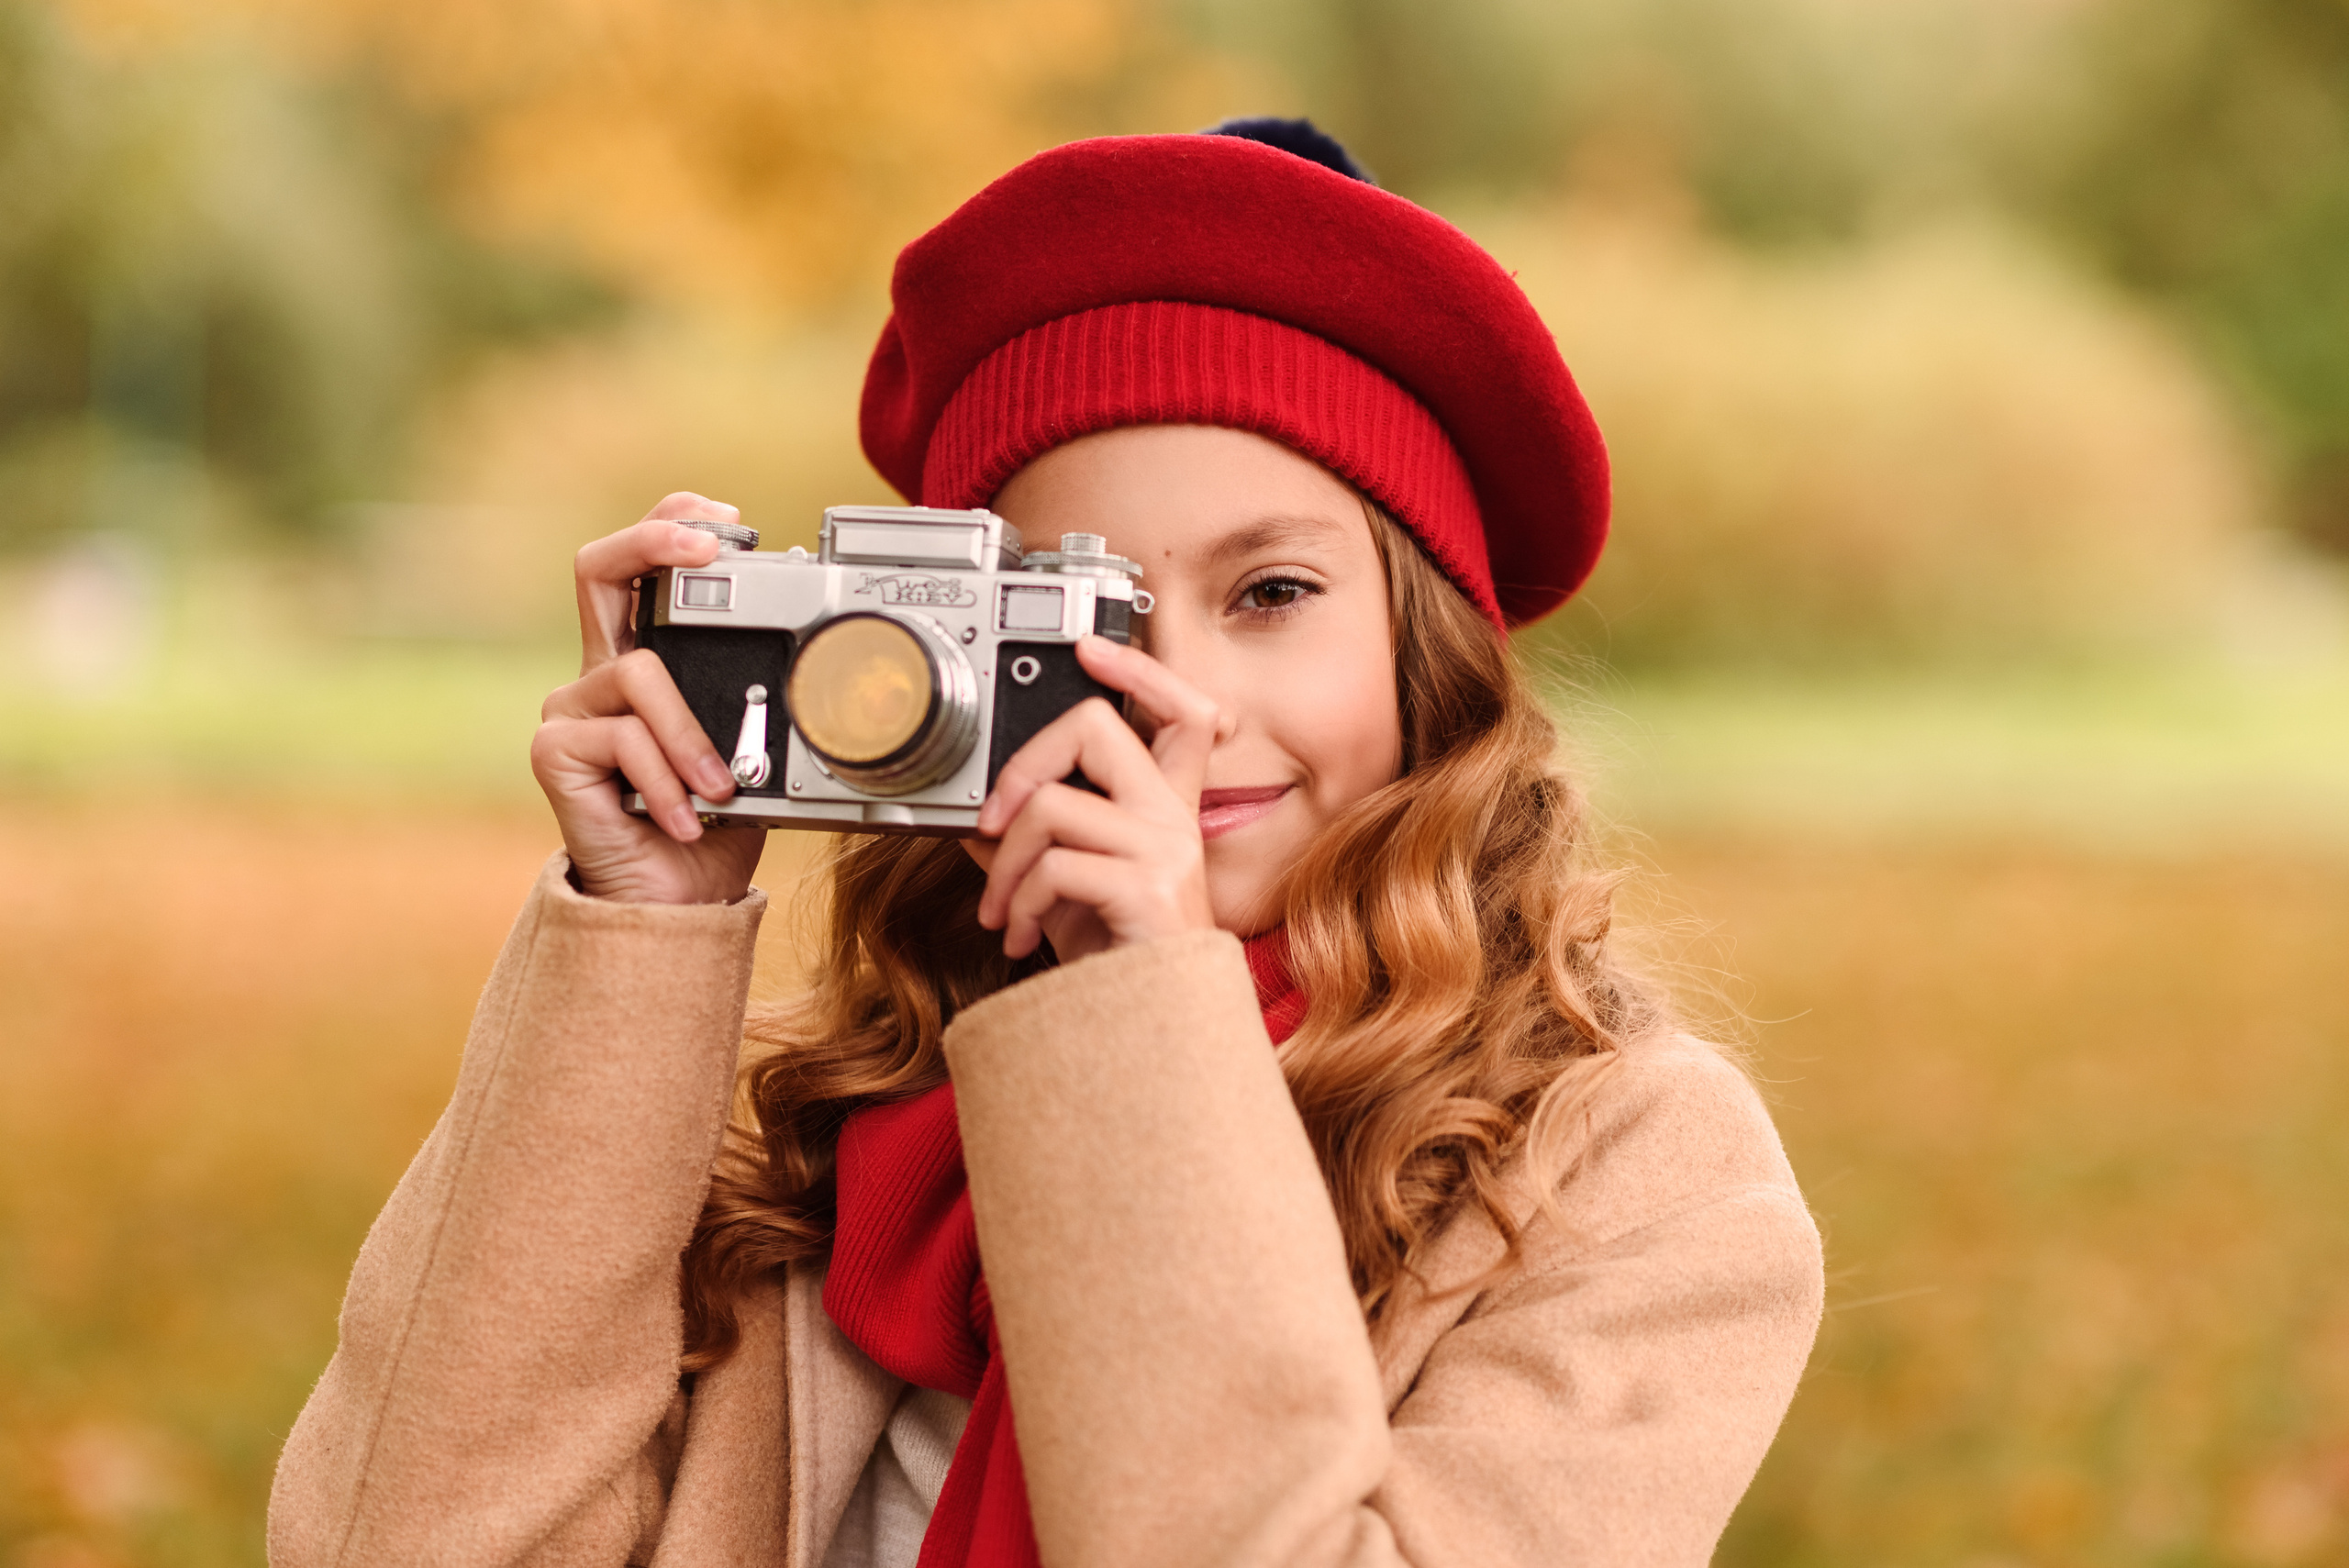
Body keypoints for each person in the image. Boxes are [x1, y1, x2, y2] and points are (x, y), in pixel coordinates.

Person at [268, 120, 1822, 1568]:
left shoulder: (1635, 1175)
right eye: (1086, 625)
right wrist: (640, 941)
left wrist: (1138, 1024)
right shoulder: (854, 1137)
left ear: (1428, 656)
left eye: (1271, 592)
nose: (1180, 705)